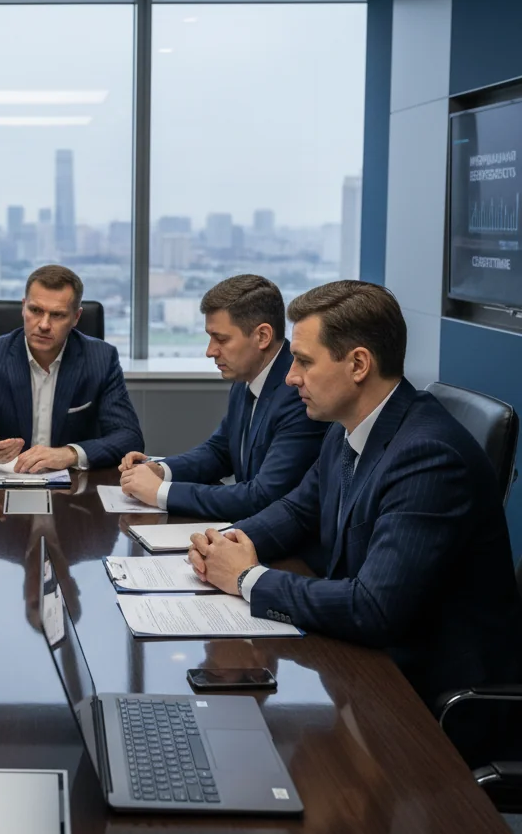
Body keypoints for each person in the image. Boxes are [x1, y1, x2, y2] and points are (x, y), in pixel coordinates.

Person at [188, 280, 522, 709]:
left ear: (359, 364)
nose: (290, 377)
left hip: (430, 699)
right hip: (367, 664)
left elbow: (373, 607)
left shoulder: (429, 457)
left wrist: (246, 578)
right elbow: (297, 511)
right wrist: (224, 545)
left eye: (304, 361)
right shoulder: (346, 428)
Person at [119, 274, 326, 520]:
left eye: (221, 339)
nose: (210, 351)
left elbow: (263, 497)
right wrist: (161, 470)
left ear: (262, 336)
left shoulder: (299, 393)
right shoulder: (246, 376)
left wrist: (161, 492)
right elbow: (220, 451)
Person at [0, 265, 143, 471]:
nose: (44, 325)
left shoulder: (101, 359)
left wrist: (70, 454)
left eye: (57, 315)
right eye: (36, 310)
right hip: (5, 480)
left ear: (76, 317)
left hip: (74, 484)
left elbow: (129, 437)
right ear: (24, 307)